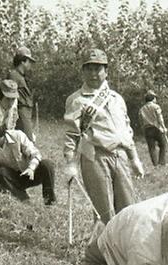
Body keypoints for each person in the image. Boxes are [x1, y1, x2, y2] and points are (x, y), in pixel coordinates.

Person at [63, 49, 144, 224]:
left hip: (120, 156)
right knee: (104, 212)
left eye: (98, 69)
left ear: (106, 72)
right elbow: (71, 135)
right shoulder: (76, 100)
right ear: (83, 71)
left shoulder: (117, 99)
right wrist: (70, 163)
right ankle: (103, 249)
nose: (93, 73)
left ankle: (125, 247)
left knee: (128, 209)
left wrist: (134, 158)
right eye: (89, 69)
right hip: (95, 157)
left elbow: (127, 130)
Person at [7, 46, 36, 141]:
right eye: (29, 61)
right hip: (20, 113)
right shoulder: (14, 75)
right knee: (27, 141)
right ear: (22, 61)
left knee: (25, 142)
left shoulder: (21, 76)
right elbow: (9, 97)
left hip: (25, 113)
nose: (30, 64)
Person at [138, 90, 168, 166]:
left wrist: (143, 129)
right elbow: (160, 118)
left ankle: (155, 164)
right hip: (156, 128)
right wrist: (163, 127)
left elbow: (140, 121)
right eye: (155, 98)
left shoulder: (142, 109)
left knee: (151, 147)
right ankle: (162, 162)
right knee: (163, 144)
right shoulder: (156, 107)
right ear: (152, 98)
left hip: (147, 129)